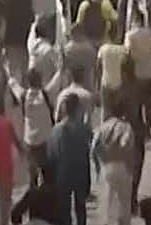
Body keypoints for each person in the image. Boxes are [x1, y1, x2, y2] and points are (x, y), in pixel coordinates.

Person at [48, 93, 93, 225]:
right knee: (81, 207)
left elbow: (51, 155)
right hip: (81, 172)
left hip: (63, 174)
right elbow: (89, 150)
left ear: (64, 109)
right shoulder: (84, 129)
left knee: (64, 209)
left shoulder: (56, 130)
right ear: (78, 108)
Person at [93, 91, 137, 225]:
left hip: (106, 167)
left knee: (107, 203)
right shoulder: (126, 127)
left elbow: (94, 146)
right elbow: (126, 145)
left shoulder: (103, 126)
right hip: (122, 167)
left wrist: (99, 163)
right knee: (124, 205)